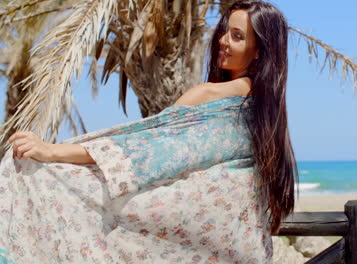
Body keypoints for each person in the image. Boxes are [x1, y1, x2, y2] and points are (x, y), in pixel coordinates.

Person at [1, 0, 298, 263]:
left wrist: (52, 152)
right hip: (241, 246)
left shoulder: (211, 95)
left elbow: (145, 150)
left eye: (237, 36)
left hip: (210, 238)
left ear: (259, 50)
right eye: (224, 31)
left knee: (29, 178)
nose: (222, 41)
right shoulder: (265, 112)